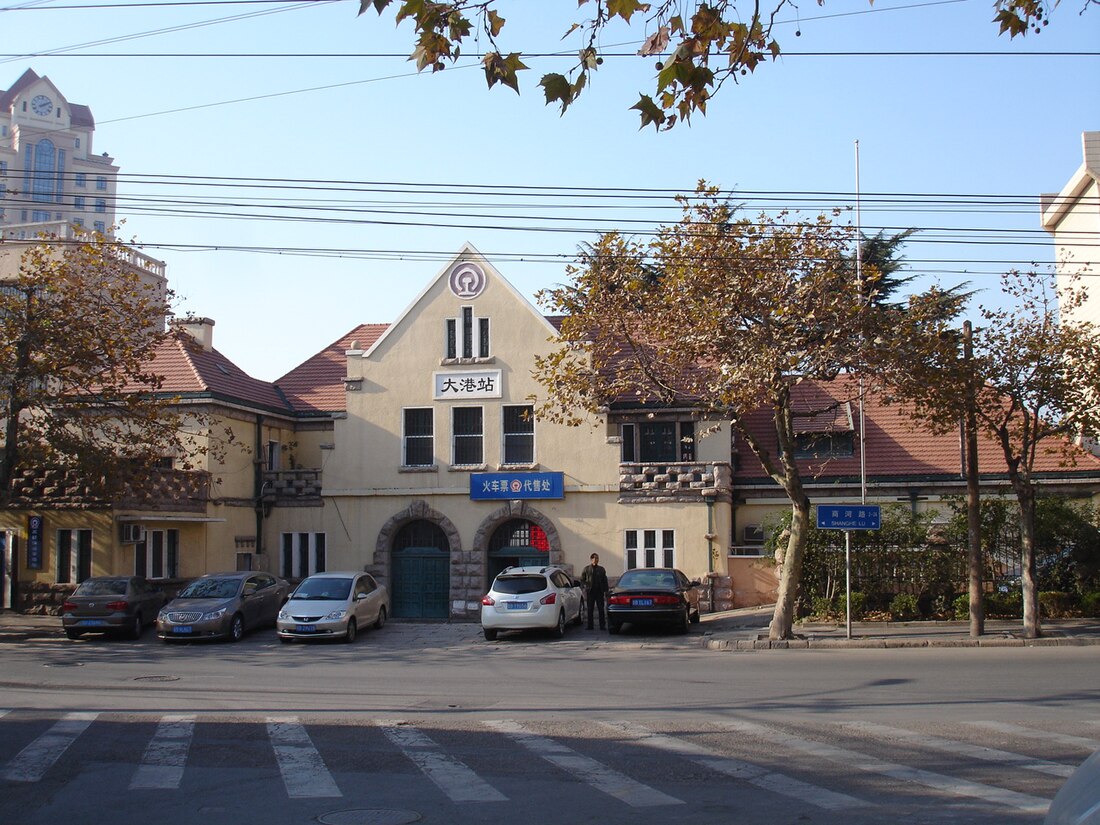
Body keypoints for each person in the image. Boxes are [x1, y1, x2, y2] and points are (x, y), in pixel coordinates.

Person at [581, 553, 609, 630]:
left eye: (597, 558)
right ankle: (590, 626)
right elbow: (582, 579)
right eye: (594, 558)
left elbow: (604, 581)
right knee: (590, 609)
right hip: (590, 592)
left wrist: (606, 591)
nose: (596, 560)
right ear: (591, 559)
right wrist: (585, 586)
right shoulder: (587, 569)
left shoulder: (601, 569)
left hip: (599, 592)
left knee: (601, 608)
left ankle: (602, 625)